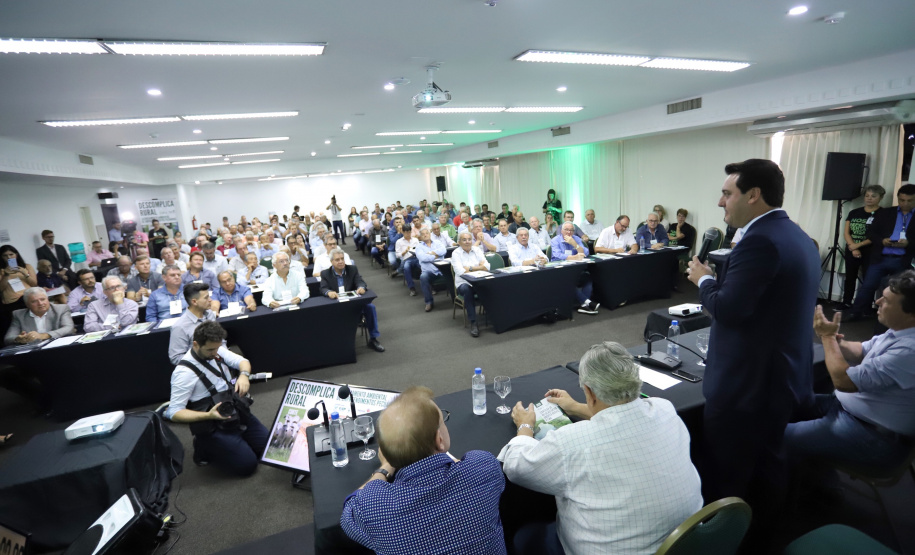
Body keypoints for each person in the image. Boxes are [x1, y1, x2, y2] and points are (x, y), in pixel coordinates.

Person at [687, 159, 820, 539]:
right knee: (768, 466)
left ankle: (730, 540)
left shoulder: (759, 241)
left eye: (727, 193)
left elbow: (729, 309)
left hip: (748, 388)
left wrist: (704, 280)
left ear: (753, 195)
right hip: (784, 376)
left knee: (731, 473)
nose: (720, 202)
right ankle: (767, 535)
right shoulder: (797, 236)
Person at [499, 341, 703, 555]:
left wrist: (524, 425)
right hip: (684, 544)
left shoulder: (573, 442)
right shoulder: (665, 409)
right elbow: (623, 414)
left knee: (524, 537)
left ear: (589, 391)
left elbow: (517, 467)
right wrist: (576, 407)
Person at [341, 386, 505, 553]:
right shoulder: (483, 467)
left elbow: (349, 513)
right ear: (439, 439)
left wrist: (385, 467)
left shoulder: (373, 506)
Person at [785, 272, 915, 480]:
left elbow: (844, 381)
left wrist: (827, 337)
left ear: (911, 314)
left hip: (874, 436)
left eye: (886, 300)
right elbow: (861, 350)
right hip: (851, 411)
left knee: (774, 436)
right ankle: (816, 478)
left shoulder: (909, 350)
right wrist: (837, 341)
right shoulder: (900, 332)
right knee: (781, 406)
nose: (877, 302)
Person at [165, 321, 267, 475]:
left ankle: (234, 443)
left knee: (269, 449)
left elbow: (243, 362)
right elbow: (174, 412)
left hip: (233, 409)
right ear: (196, 344)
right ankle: (203, 445)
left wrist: (244, 376)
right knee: (248, 466)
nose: (215, 353)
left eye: (217, 348)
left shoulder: (217, 350)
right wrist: (208, 415)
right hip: (212, 423)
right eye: (210, 350)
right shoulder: (183, 373)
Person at [845, 184, 915, 322]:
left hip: (903, 260)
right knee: (867, 286)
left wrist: (908, 243)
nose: (905, 203)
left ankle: (892, 318)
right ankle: (855, 313)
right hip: (881, 257)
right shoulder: (886, 213)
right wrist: (882, 240)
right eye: (902, 200)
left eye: (909, 201)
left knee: (897, 291)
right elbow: (871, 232)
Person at [320, 249, 385, 352]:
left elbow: (360, 282)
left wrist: (361, 287)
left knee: (370, 307)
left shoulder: (352, 269)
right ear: (331, 261)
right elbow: (323, 288)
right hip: (337, 305)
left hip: (353, 304)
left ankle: (373, 339)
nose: (341, 261)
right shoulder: (325, 273)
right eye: (337, 260)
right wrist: (329, 292)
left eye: (342, 259)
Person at [841, 185, 886, 308]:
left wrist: (858, 245)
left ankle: (865, 306)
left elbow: (878, 235)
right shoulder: (854, 212)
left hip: (871, 251)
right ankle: (846, 302)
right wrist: (854, 247)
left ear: (881, 197)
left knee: (868, 279)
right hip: (852, 249)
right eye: (867, 196)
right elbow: (846, 232)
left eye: (873, 196)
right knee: (850, 277)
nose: (869, 198)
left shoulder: (883, 214)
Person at [551, 222, 599, 315]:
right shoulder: (555, 240)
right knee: (568, 281)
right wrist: (574, 257)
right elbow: (557, 255)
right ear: (561, 231)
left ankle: (583, 305)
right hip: (561, 271)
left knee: (588, 278)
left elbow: (586, 252)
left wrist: (574, 244)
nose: (569, 232)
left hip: (575, 270)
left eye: (571, 230)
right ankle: (587, 302)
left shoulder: (576, 239)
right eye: (566, 230)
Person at [168, 282, 222, 365]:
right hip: (199, 366)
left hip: (219, 359)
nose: (210, 300)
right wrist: (200, 357)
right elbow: (175, 358)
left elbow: (220, 340)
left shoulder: (210, 314)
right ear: (194, 302)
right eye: (206, 298)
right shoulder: (180, 327)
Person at [4, 287, 75, 345]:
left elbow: (69, 328)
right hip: (33, 352)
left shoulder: (61, 309)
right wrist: (19, 339)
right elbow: (8, 338)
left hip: (58, 347)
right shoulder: (19, 315)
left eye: (43, 299)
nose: (40, 303)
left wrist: (44, 335)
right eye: (34, 301)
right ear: (27, 304)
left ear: (48, 299)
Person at [451, 232, 490, 337]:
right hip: (463, 284)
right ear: (459, 242)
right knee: (467, 290)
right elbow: (460, 271)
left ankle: (494, 315)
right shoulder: (456, 253)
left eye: (469, 239)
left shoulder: (477, 250)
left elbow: (487, 267)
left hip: (478, 281)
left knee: (493, 285)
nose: (467, 242)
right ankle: (473, 322)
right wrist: (479, 267)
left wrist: (471, 268)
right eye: (464, 240)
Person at [415, 229, 444, 312]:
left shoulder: (437, 242)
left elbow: (443, 250)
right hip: (429, 272)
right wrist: (435, 256)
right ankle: (429, 302)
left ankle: (457, 299)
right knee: (423, 277)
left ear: (430, 234)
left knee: (453, 272)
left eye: (427, 233)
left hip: (442, 269)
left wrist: (430, 253)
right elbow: (423, 258)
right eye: (423, 234)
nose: (425, 235)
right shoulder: (419, 247)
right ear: (420, 237)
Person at [395, 226, 420, 296]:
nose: (408, 234)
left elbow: (420, 249)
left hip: (416, 257)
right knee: (406, 267)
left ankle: (430, 285)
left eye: (409, 232)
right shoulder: (399, 242)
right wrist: (405, 251)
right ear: (403, 232)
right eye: (406, 232)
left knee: (424, 266)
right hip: (407, 259)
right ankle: (412, 288)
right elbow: (397, 255)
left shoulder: (415, 240)